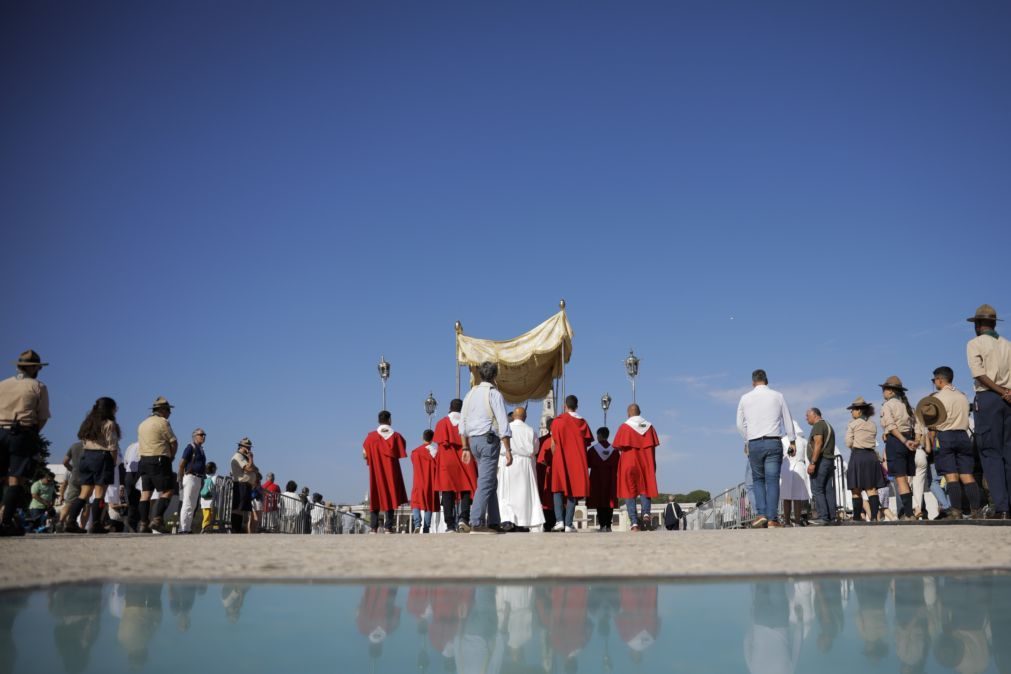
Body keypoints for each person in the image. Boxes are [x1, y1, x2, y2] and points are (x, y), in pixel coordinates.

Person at [965, 304, 1011, 519]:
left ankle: (1002, 507)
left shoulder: (974, 343)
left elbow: (980, 374)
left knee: (990, 453)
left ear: (977, 325)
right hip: (1008, 398)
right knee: (1008, 452)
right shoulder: (1008, 345)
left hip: (989, 396)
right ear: (994, 323)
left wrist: (1000, 391)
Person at [736, 369, 797, 528]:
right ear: (766, 380)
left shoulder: (745, 398)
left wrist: (747, 439)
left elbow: (739, 424)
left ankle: (761, 514)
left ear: (753, 382)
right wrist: (792, 441)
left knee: (758, 480)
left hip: (754, 443)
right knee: (772, 481)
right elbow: (787, 419)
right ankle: (772, 519)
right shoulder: (778, 396)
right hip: (773, 442)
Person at [0, 349, 51, 536]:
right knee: (16, 480)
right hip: (21, 432)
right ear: (35, 367)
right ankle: (5, 523)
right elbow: (42, 417)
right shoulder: (38, 386)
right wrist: (32, 434)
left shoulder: (2, 384)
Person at [459, 362, 512, 534]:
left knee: (489, 481)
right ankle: (476, 521)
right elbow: (503, 422)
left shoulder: (470, 394)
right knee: (485, 482)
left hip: (473, 441)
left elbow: (462, 423)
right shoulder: (493, 394)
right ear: (494, 376)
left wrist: (465, 447)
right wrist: (508, 449)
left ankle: (494, 521)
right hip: (488, 440)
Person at [922, 367, 981, 520]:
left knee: (951, 476)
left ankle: (956, 512)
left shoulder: (937, 398)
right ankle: (976, 510)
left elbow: (932, 424)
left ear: (940, 379)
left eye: (935, 380)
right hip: (963, 435)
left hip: (945, 436)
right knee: (967, 475)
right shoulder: (962, 395)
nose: (934, 382)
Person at [65, 397, 122, 533]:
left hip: (86, 457)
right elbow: (112, 446)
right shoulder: (109, 424)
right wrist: (113, 463)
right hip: (102, 457)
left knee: (84, 493)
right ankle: (96, 524)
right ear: (110, 409)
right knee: (100, 494)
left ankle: (71, 521)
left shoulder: (88, 423)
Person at [547, 395, 591, 533]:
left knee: (557, 489)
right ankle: (568, 524)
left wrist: (557, 457)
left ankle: (559, 521)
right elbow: (587, 443)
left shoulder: (557, 421)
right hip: (577, 459)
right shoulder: (583, 422)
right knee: (573, 490)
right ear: (577, 406)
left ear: (565, 405)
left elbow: (553, 444)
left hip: (560, 458)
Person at [613, 404, 660, 531]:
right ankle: (645, 513)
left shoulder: (624, 427)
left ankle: (634, 522)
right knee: (645, 488)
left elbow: (617, 445)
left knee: (629, 491)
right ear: (640, 412)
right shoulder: (649, 427)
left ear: (628, 413)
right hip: (646, 461)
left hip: (629, 462)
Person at [497, 407, 545, 532]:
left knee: (506, 494)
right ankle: (522, 522)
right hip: (524, 464)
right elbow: (535, 449)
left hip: (508, 461)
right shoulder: (530, 430)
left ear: (513, 416)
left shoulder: (506, 428)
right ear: (525, 417)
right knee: (523, 495)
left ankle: (507, 520)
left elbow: (500, 445)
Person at [878, 376, 918, 520]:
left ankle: (908, 513)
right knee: (906, 479)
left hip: (897, 441)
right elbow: (918, 427)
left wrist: (904, 441)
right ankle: (910, 512)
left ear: (890, 391)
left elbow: (891, 426)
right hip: (909, 439)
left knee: (901, 480)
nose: (883, 392)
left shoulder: (887, 405)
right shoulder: (908, 406)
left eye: (884, 389)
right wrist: (915, 441)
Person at [432, 399, 476, 533]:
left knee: (447, 491)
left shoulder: (441, 423)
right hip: (465, 458)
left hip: (447, 460)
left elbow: (439, 444)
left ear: (449, 408)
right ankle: (464, 518)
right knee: (466, 488)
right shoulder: (467, 422)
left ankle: (450, 525)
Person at [137, 396, 178, 534]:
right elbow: (173, 442)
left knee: (145, 494)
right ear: (162, 410)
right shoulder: (163, 422)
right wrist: (171, 457)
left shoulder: (142, 424)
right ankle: (157, 519)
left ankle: (143, 523)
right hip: (159, 458)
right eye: (168, 410)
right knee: (168, 490)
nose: (169, 413)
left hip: (144, 460)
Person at [363, 411, 408, 533]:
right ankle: (388, 527)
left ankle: (373, 527)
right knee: (391, 495)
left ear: (378, 420)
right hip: (392, 471)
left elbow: (364, 454)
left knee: (375, 495)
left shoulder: (370, 437)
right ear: (389, 420)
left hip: (376, 471)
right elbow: (402, 449)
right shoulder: (396, 436)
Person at [845, 397, 885, 522]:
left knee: (856, 489)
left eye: (853, 410)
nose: (851, 412)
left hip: (858, 456)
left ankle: (857, 517)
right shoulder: (873, 424)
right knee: (872, 489)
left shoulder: (852, 424)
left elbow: (848, 442)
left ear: (859, 411)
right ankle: (874, 517)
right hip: (871, 456)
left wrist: (855, 444)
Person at [805, 408, 837, 525]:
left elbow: (818, 443)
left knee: (817, 489)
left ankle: (823, 517)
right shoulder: (828, 425)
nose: (806, 418)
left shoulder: (818, 426)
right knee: (828, 489)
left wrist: (813, 463)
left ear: (815, 415)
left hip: (821, 461)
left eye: (807, 416)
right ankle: (831, 517)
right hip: (829, 461)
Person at [586, 427, 618, 532]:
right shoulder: (614, 450)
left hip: (597, 478)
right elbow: (618, 464)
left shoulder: (593, 450)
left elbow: (588, 463)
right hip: (611, 478)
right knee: (610, 501)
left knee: (599, 501)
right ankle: (608, 525)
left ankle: (602, 525)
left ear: (599, 435)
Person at [176, 428, 207, 534]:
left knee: (193, 505)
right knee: (187, 503)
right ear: (195, 436)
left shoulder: (201, 449)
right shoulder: (190, 447)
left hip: (198, 478)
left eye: (204, 435)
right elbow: (182, 463)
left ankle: (187, 528)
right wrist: (180, 478)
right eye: (201, 435)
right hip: (190, 477)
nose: (203, 437)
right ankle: (182, 528)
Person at [410, 429, 438, 533]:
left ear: (422, 438)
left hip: (418, 481)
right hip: (431, 482)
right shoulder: (435, 452)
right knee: (429, 504)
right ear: (433, 438)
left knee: (415, 503)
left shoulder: (415, 452)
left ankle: (417, 524)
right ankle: (426, 527)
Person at [229, 438, 256, 533]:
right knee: (238, 508)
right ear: (241, 446)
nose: (249, 449)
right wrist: (251, 458)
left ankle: (239, 529)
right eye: (247, 447)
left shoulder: (244, 457)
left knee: (243, 509)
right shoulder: (238, 456)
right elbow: (248, 468)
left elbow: (254, 468)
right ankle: (235, 529)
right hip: (241, 484)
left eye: (249, 447)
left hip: (246, 485)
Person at [58, 441, 85, 532]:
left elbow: (65, 461)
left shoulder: (74, 445)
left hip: (74, 476)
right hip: (86, 476)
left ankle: (60, 522)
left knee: (69, 502)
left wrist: (73, 469)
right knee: (87, 504)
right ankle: (82, 526)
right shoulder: (93, 445)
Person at [536, 419, 556, 532]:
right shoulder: (561, 440)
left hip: (545, 474)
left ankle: (547, 524)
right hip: (554, 473)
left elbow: (539, 460)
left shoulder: (541, 440)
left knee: (546, 498)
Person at [122, 440, 141, 532]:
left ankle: (129, 527)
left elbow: (125, 462)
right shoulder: (145, 445)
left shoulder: (130, 446)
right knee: (140, 501)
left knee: (131, 502)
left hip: (128, 473)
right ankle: (136, 525)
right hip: (138, 473)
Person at [199, 462, 217, 532]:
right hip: (211, 501)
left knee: (206, 516)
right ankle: (206, 529)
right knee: (213, 517)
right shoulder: (215, 478)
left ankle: (205, 528)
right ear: (213, 469)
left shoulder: (203, 477)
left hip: (203, 501)